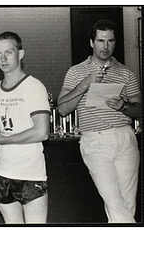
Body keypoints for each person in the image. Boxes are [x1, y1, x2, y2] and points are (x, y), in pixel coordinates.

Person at [58, 19, 141, 223]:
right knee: (115, 203)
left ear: (115, 43)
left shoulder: (126, 73)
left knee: (127, 204)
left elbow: (139, 109)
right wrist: (85, 84)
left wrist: (123, 106)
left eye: (110, 41)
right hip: (95, 140)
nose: (105, 46)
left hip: (125, 138)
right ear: (91, 42)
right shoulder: (76, 72)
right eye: (101, 40)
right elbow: (62, 108)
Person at [0, 31, 50, 224]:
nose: (3, 58)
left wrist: (4, 140)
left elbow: (42, 131)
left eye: (8, 52)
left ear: (20, 54)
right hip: (2, 172)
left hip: (30, 174)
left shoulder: (34, 87)